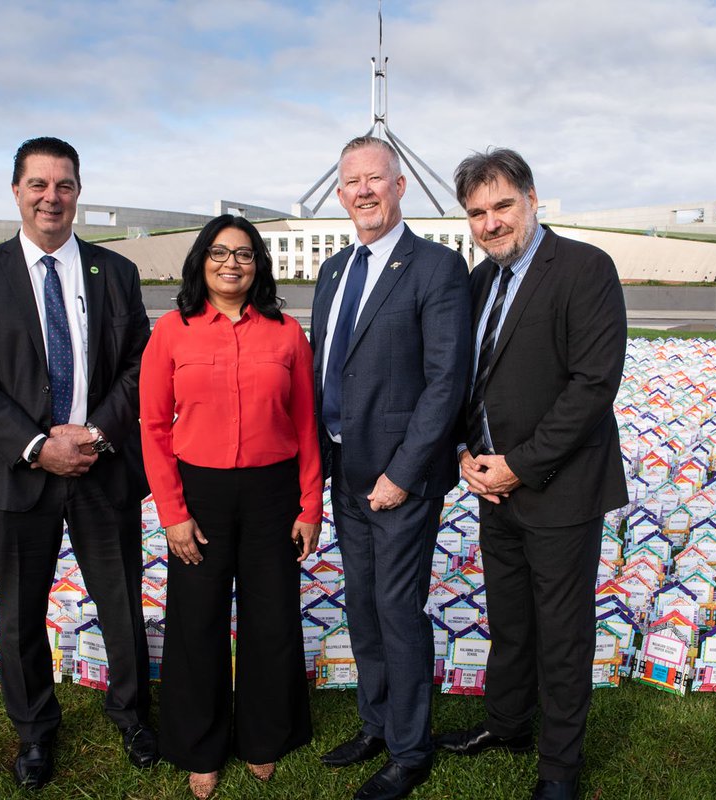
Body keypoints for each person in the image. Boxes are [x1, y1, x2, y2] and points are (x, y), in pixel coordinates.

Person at [0, 137, 156, 790]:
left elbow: (137, 367)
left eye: (63, 184)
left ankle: (131, 714)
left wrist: (92, 433)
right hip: (18, 475)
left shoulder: (114, 272)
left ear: (78, 193)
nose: (51, 196)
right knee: (20, 613)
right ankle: (36, 731)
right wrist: (41, 445)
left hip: (103, 466)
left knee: (120, 603)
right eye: (38, 184)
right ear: (16, 191)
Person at [433, 148, 628, 800]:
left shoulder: (583, 269)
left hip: (560, 490)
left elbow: (592, 386)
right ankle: (508, 725)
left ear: (532, 199)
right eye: (476, 213)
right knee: (510, 622)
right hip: (495, 488)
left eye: (502, 206)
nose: (490, 223)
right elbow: (470, 379)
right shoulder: (480, 281)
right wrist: (466, 453)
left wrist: (519, 464)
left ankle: (559, 770)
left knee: (562, 634)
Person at [312, 136, 471, 800]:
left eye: (375, 179)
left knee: (397, 608)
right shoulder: (333, 271)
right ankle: (376, 724)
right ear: (341, 193)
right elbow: (328, 366)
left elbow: (445, 381)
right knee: (363, 605)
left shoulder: (435, 268)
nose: (364, 191)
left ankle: (409, 750)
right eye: (352, 182)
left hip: (398, 479)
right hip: (344, 470)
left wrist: (403, 472)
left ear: (400, 185)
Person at [140, 214, 321, 799]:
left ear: (258, 265)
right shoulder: (171, 330)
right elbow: (152, 427)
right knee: (197, 622)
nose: (231, 263)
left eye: (244, 254)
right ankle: (201, 745)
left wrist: (310, 505)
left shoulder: (287, 333)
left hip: (273, 494)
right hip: (201, 495)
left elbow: (307, 424)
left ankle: (266, 736)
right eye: (219, 253)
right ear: (201, 261)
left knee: (272, 618)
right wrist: (172, 512)